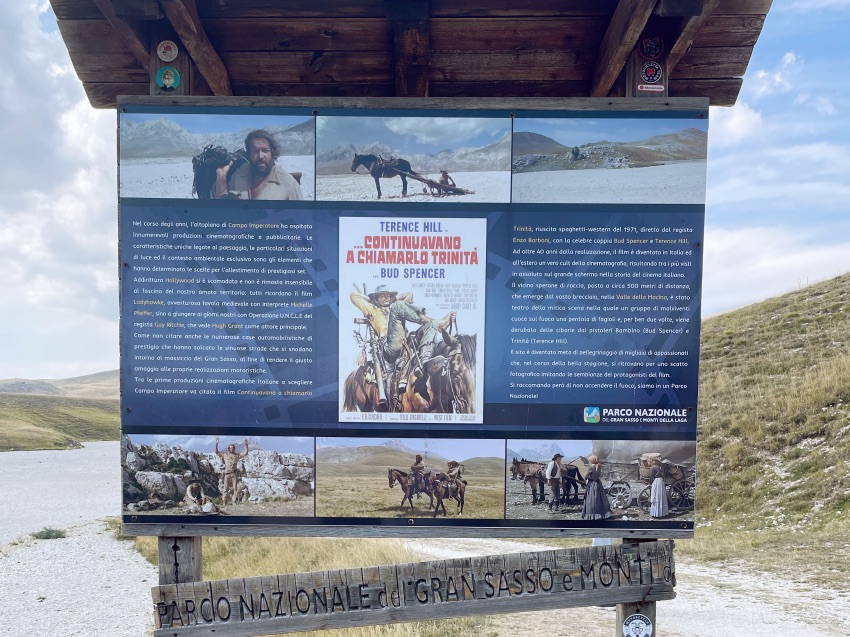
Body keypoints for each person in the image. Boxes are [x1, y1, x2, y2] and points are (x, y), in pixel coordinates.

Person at [350, 285, 456, 370]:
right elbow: (353, 296)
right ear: (376, 299)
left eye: (388, 295)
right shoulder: (372, 309)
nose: (386, 297)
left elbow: (409, 295)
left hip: (406, 344)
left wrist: (392, 300)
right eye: (382, 296)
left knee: (430, 325)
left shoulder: (394, 309)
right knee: (398, 306)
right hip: (389, 347)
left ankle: (425, 362)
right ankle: (440, 324)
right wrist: (370, 299)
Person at [214, 129, 303, 200]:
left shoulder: (289, 183)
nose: (260, 156)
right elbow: (224, 205)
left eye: (265, 151)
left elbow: (301, 218)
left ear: (273, 153)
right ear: (249, 154)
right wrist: (221, 176)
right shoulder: (240, 173)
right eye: (255, 151)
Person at [215, 437, 249, 505]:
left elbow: (245, 453)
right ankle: (224, 501)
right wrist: (216, 444)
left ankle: (234, 501)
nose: (231, 449)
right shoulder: (225, 455)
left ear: (234, 449)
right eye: (230, 448)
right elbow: (216, 452)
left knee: (235, 488)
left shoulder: (237, 455)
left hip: (234, 473)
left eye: (233, 448)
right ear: (228, 449)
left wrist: (246, 445)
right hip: (227, 473)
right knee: (225, 488)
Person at [581, 454, 612, 520]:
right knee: (600, 498)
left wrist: (588, 478)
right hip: (598, 483)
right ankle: (603, 513)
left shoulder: (591, 467)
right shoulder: (599, 466)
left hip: (592, 484)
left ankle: (592, 515)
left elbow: (586, 476)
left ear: (591, 461)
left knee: (591, 499)